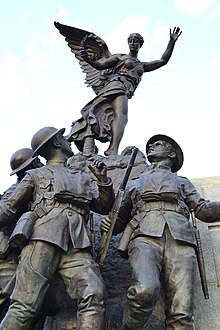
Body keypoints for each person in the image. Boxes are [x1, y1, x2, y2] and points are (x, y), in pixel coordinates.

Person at [0, 126, 115, 330]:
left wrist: (103, 180)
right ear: (56, 143)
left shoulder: (83, 176)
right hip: (42, 239)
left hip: (77, 245)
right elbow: (9, 209)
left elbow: (103, 207)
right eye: (63, 137)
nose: (68, 140)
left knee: (94, 294)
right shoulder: (35, 175)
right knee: (25, 306)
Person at [101, 134, 220, 329]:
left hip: (180, 238)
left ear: (171, 153)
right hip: (144, 236)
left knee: (182, 310)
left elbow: (203, 210)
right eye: (151, 145)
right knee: (145, 290)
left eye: (158, 144)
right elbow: (119, 218)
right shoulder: (136, 182)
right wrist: (109, 226)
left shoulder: (182, 182)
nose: (152, 147)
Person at [55, 22, 182, 156]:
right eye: (131, 41)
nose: (133, 43)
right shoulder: (119, 57)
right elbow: (99, 65)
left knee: (104, 114)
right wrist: (87, 59)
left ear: (140, 44)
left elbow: (163, 61)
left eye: (136, 41)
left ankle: (76, 136)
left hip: (125, 89)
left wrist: (171, 42)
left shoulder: (142, 65)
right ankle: (113, 149)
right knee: (121, 116)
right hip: (117, 85)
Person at [0, 148, 43, 321]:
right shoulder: (17, 188)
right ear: (30, 165)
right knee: (8, 296)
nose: (40, 162)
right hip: (9, 254)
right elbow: (5, 214)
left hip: (24, 252)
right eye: (37, 160)